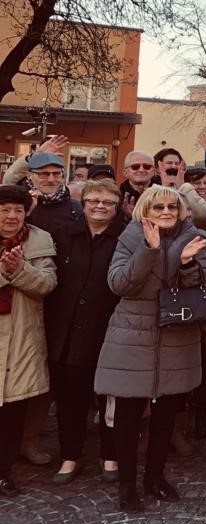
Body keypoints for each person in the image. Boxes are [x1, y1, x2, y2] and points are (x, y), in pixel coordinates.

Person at [94, 185, 206, 513]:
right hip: (133, 335)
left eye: (172, 207)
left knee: (166, 416)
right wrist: (149, 249)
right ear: (145, 209)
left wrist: (187, 264)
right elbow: (119, 284)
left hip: (177, 335)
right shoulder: (131, 236)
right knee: (128, 418)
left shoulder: (193, 236)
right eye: (158, 206)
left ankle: (155, 478)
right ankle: (127, 487)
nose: (165, 212)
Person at [2, 139, 82, 465]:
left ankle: (29, 440)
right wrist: (30, 157)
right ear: (30, 177)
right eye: (43, 173)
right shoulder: (19, 201)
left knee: (38, 378)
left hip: (56, 301)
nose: (50, 178)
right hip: (19, 305)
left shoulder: (74, 208)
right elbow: (5, 190)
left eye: (56, 173)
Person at [47, 180, 126, 486]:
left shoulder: (125, 237)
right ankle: (70, 455)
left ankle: (110, 453)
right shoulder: (64, 235)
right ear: (84, 203)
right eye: (94, 200)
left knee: (110, 399)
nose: (100, 206)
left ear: (116, 207)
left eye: (107, 202)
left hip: (108, 330)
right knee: (69, 399)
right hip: (66, 331)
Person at [0, 184, 57, 497]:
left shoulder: (39, 239)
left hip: (21, 338)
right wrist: (6, 270)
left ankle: (3, 472)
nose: (12, 216)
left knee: (11, 413)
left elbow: (47, 283)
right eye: (5, 209)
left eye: (18, 210)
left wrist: (19, 269)